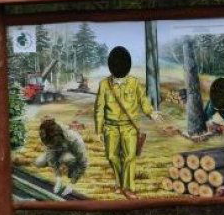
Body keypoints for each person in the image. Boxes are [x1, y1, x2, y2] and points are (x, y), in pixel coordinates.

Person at [94, 46, 161, 199]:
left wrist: (151, 113)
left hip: (130, 127)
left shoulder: (134, 83)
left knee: (130, 156)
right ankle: (119, 182)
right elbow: (99, 108)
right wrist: (98, 130)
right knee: (111, 156)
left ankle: (128, 187)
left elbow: (143, 101)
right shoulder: (104, 84)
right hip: (110, 127)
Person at [34, 117, 88, 196]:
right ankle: (61, 165)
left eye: (53, 145)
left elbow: (83, 164)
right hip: (58, 151)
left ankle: (71, 171)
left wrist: (71, 184)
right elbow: (51, 156)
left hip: (69, 154)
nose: (50, 146)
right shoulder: (49, 136)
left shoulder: (74, 140)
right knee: (39, 162)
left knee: (67, 159)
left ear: (59, 138)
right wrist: (58, 177)